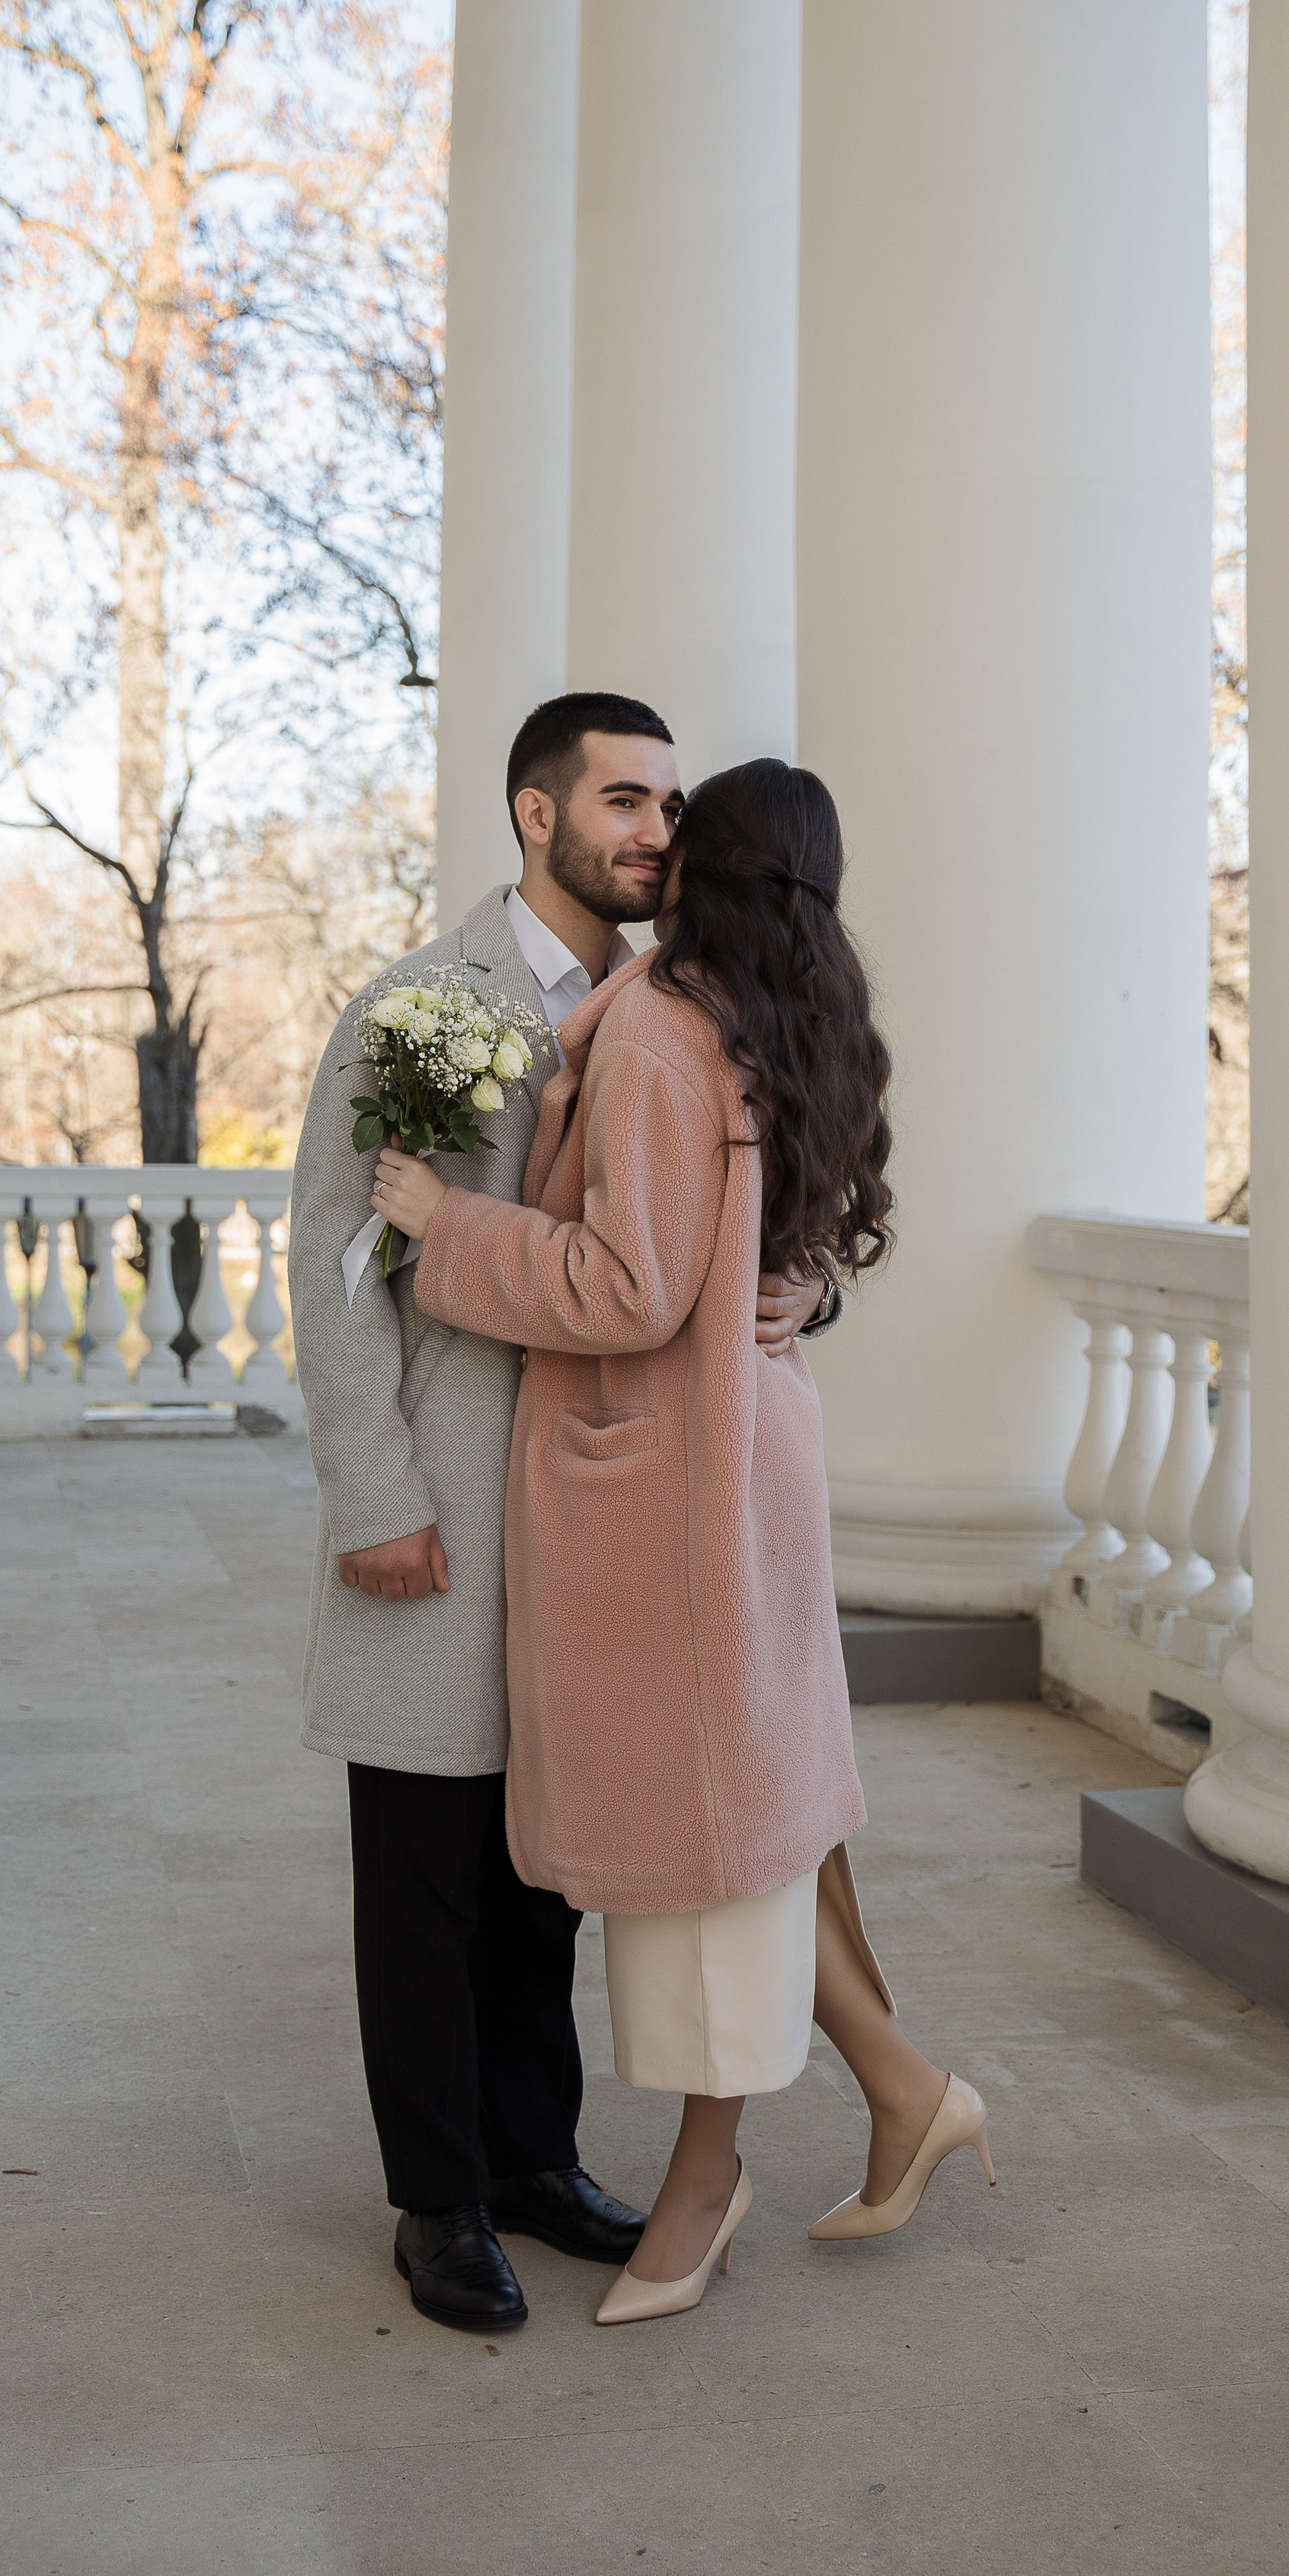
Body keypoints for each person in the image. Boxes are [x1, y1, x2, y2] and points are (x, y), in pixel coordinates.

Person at [369, 757, 995, 2327]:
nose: (649, 840)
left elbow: (625, 1290)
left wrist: (448, 1230)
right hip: (749, 1458)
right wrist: (792, 1298)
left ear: (707, 864)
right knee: (753, 1818)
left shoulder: (654, 1031)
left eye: (673, 822)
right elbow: (758, 1247)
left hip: (667, 1486)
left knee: (708, 1842)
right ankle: (900, 2091)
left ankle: (726, 2173)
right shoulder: (785, 1012)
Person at [289, 696, 833, 2336]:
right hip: (449, 1515)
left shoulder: (680, 1005)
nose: (653, 829)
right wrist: (375, 1498)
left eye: (667, 802)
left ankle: (534, 2156)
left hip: (605, 1525)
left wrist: (792, 1298)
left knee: (552, 1872)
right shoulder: (416, 1012)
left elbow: (749, 1210)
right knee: (428, 1873)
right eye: (619, 799)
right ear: (535, 816)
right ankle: (439, 2199)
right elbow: (333, 1268)